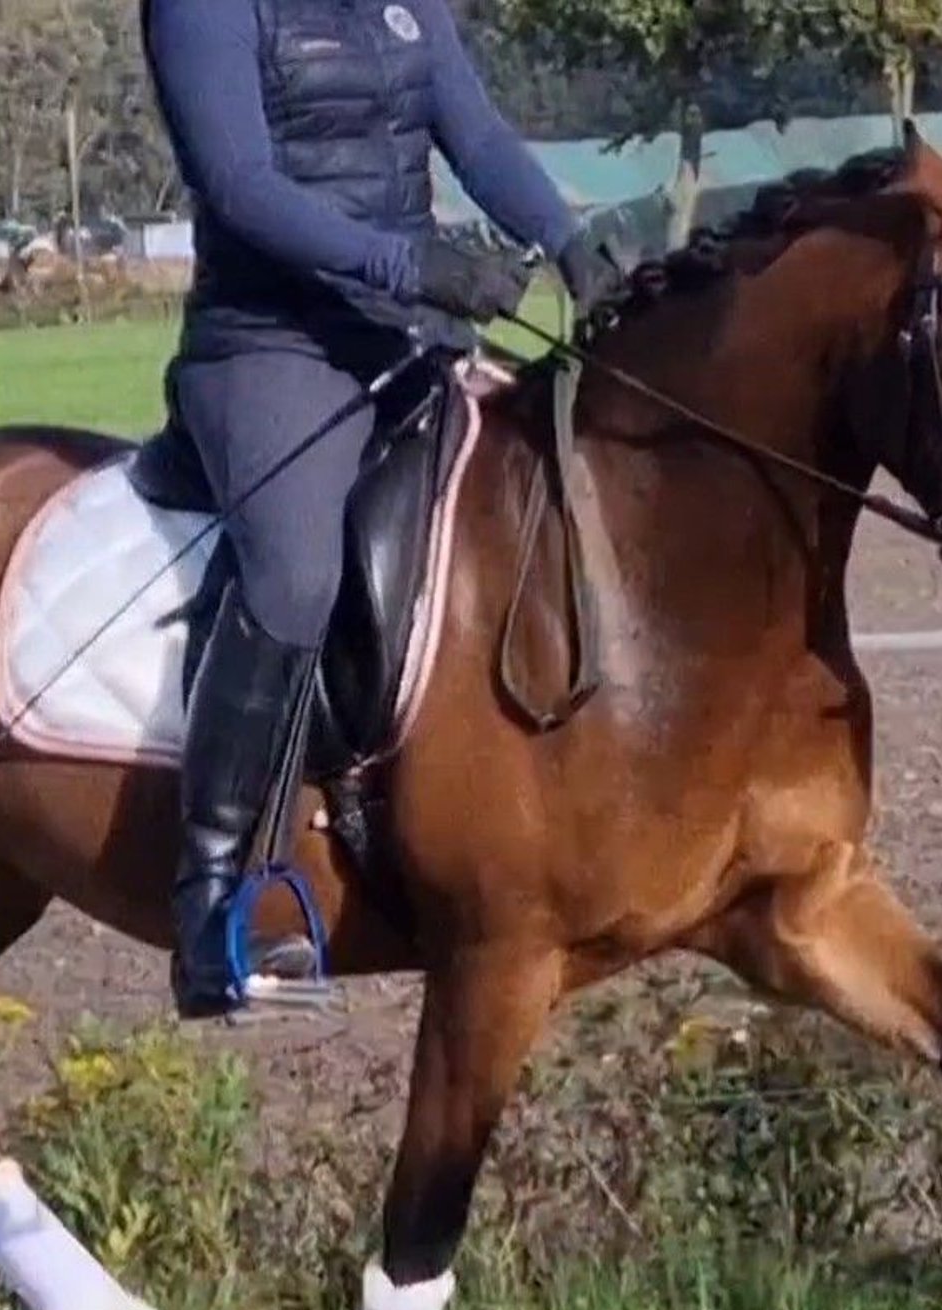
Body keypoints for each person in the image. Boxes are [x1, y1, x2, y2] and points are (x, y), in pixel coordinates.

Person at [142, 0, 625, 1020]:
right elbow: (239, 186)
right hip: (273, 345)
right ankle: (211, 899)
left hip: (410, 335)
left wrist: (567, 241)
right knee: (297, 571)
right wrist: (408, 263)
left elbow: (477, 133)